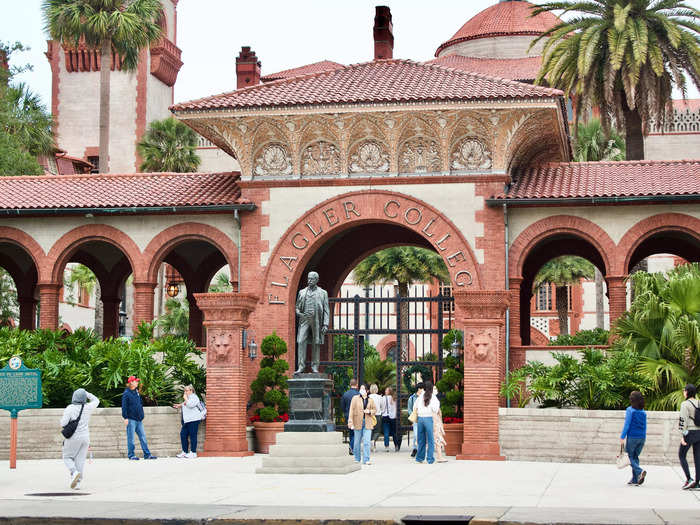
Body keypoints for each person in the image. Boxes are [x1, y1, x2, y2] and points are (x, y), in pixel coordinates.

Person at [60, 388, 99, 490]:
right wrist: (87, 393)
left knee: (67, 457)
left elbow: (63, 423)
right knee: (80, 460)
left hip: (73, 437)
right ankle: (77, 483)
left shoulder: (70, 408)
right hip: (85, 437)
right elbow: (96, 400)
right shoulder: (88, 407)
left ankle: (74, 472)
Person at [295, 271, 329, 374]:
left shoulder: (323, 293)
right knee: (301, 341)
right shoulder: (302, 292)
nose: (309, 281)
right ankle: (301, 367)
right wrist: (299, 314)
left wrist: (326, 324)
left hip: (317, 320)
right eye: (308, 279)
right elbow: (297, 308)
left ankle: (315, 367)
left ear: (316, 280)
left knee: (316, 343)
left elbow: (326, 310)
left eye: (312, 279)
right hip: (304, 319)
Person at [121, 375, 157, 460]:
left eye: (137, 381)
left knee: (143, 437)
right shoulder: (126, 393)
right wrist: (125, 418)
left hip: (139, 419)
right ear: (131, 383)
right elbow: (124, 406)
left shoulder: (136, 392)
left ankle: (147, 455)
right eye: (136, 381)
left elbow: (139, 404)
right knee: (131, 438)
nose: (137, 382)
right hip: (131, 419)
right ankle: (131, 455)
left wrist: (141, 415)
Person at [619, 391, 647, 485]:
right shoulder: (643, 412)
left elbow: (627, 425)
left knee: (629, 457)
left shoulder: (630, 410)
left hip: (632, 437)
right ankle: (635, 479)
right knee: (635, 457)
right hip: (642, 438)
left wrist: (622, 437)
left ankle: (640, 471)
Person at [348, 383, 377, 465]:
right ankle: (357, 458)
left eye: (363, 389)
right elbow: (351, 410)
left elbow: (375, 410)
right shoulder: (355, 398)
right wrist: (350, 421)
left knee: (367, 442)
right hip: (357, 422)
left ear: (367, 391)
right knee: (357, 442)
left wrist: (369, 411)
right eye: (361, 388)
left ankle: (366, 459)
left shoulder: (370, 400)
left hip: (368, 422)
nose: (362, 390)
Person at [679, 384, 700, 490]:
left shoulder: (685, 404)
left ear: (687, 392)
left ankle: (689, 479)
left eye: (684, 390)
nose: (683, 392)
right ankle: (697, 483)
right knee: (698, 458)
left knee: (682, 455)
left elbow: (683, 420)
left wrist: (682, 435)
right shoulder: (699, 402)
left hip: (689, 433)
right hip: (699, 433)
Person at [173, 384, 203, 458]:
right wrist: (179, 405)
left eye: (186, 390)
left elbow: (190, 405)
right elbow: (185, 403)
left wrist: (185, 398)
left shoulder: (194, 397)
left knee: (193, 436)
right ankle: (184, 452)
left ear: (191, 390)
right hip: (187, 420)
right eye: (185, 391)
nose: (185, 392)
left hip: (194, 420)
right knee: (183, 435)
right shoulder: (189, 398)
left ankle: (193, 452)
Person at [415, 381, 439, 464]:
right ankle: (430, 459)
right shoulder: (433, 397)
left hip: (420, 419)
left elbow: (415, 407)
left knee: (421, 439)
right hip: (429, 418)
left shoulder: (420, 396)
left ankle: (420, 458)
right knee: (430, 440)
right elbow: (435, 409)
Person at [341, 379, 359, 455]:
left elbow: (342, 406)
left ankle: (352, 447)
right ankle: (351, 446)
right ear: (356, 384)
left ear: (350, 384)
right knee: (356, 433)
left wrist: (346, 413)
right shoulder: (358, 394)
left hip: (348, 416)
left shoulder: (345, 394)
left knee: (351, 432)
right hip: (356, 416)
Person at [382, 386, 402, 452]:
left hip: (385, 416)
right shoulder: (394, 398)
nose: (385, 391)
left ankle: (387, 446)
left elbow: (382, 407)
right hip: (393, 417)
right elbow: (396, 408)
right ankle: (396, 445)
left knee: (386, 432)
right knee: (394, 432)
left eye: (386, 390)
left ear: (388, 391)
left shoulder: (383, 398)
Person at [407, 382, 424, 458]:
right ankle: (415, 448)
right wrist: (413, 416)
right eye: (422, 388)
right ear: (419, 389)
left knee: (422, 434)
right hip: (416, 419)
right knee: (416, 435)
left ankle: (420, 450)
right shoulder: (412, 398)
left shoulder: (425, 397)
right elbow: (409, 409)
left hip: (424, 418)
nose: (423, 390)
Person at [433, 386, 447, 463]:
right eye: (435, 389)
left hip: (431, 419)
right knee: (437, 437)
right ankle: (439, 457)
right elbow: (437, 410)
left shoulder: (429, 397)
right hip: (435, 419)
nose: (436, 390)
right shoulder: (433, 399)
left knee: (434, 438)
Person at [369, 384, 383, 452]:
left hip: (370, 415)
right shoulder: (380, 397)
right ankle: (373, 441)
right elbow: (382, 406)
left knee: (370, 430)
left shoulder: (368, 397)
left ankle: (372, 445)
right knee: (377, 431)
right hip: (378, 415)